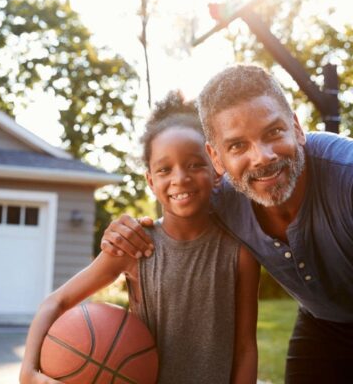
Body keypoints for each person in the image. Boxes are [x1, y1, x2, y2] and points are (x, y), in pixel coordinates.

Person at [101, 65, 353, 383]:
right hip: (324, 321)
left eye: (274, 132)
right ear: (216, 159)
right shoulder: (219, 199)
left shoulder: (347, 178)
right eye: (237, 146)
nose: (261, 157)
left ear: (297, 128)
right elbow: (174, 216)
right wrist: (126, 231)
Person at [19, 91, 260, 384]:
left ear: (216, 168)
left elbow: (246, 346)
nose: (180, 178)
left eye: (195, 164)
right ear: (150, 180)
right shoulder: (135, 245)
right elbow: (55, 303)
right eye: (164, 169)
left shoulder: (239, 253)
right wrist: (29, 373)